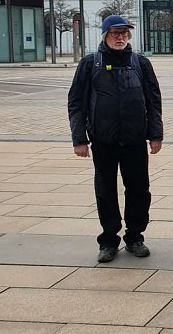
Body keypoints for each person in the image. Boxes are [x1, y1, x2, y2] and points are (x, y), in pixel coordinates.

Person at [68, 14, 163, 263]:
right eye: (115, 33)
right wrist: (79, 139)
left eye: (124, 33)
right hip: (103, 141)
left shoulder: (140, 63)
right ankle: (109, 239)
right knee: (106, 191)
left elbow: (154, 101)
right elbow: (76, 104)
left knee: (139, 190)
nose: (120, 37)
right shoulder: (90, 64)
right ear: (105, 35)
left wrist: (156, 135)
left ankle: (135, 237)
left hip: (134, 140)